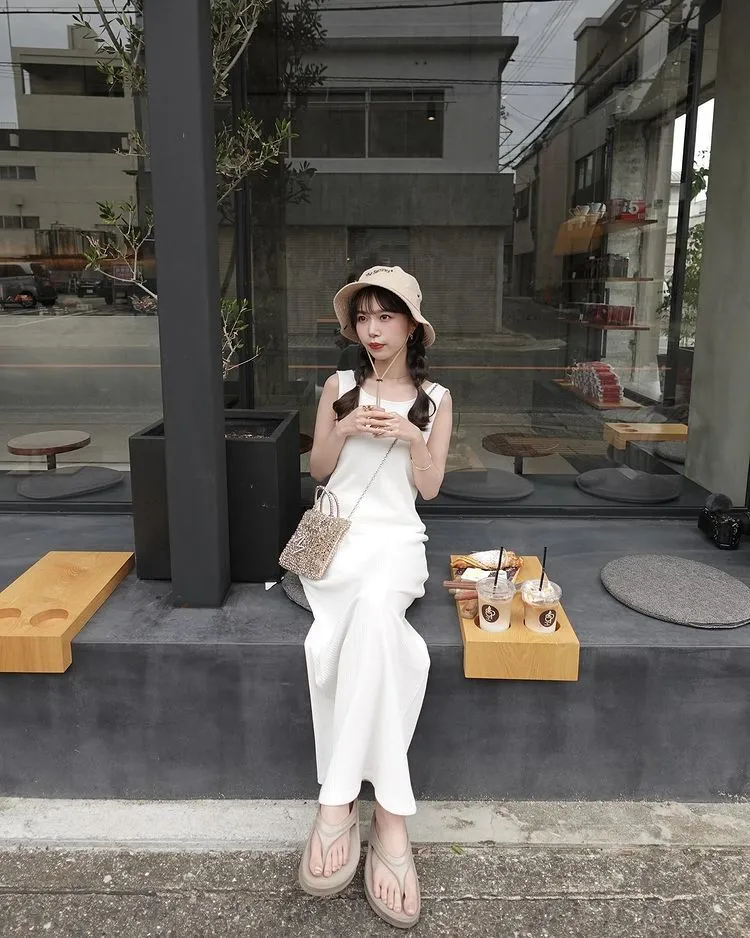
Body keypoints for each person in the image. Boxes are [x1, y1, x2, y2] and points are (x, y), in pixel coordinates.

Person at [297, 265, 452, 929]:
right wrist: (343, 428)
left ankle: (337, 807)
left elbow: (430, 489)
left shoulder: (436, 398)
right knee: (373, 627)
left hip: (397, 542)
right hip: (336, 539)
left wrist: (413, 435)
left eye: (385, 316)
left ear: (412, 326)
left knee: (374, 611)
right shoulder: (338, 387)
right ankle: (390, 821)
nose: (372, 329)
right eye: (363, 317)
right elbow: (318, 470)